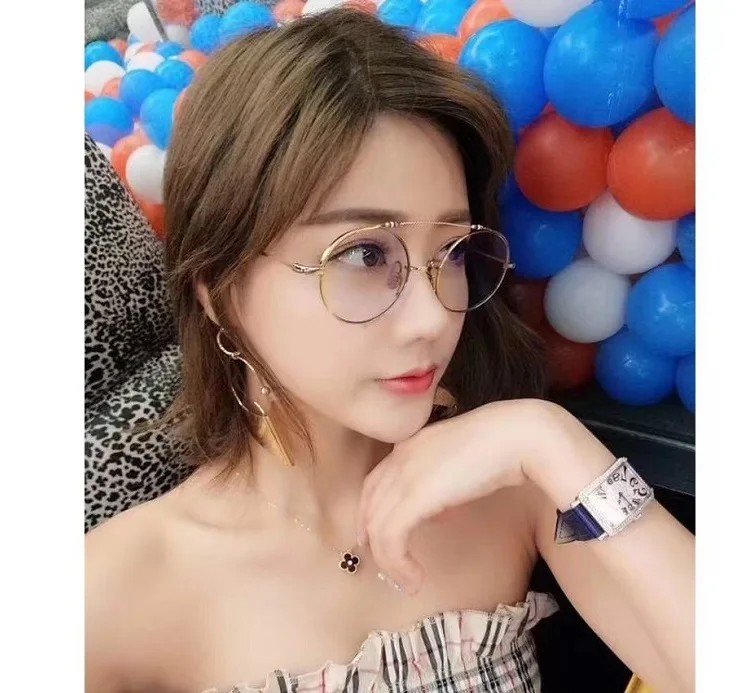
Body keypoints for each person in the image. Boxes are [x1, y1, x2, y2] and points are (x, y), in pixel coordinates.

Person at [85, 8, 695, 693]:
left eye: (453, 251)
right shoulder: (112, 598)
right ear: (218, 290)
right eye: (365, 254)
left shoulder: (512, 489)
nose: (434, 316)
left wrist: (555, 442)